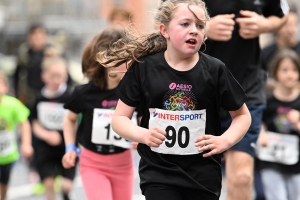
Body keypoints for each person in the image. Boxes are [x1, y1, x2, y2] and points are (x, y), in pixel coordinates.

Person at [97, 1, 252, 199]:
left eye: (200, 26)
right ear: (165, 30)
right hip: (159, 174)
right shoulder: (145, 68)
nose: (194, 30)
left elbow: (242, 115)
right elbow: (119, 119)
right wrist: (143, 135)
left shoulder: (215, 70)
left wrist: (225, 140)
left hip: (203, 176)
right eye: (185, 24)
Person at [200, 1, 288, 199]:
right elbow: (165, 18)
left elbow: (282, 15)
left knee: (242, 177)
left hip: (246, 89)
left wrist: (265, 25)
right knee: (198, 180)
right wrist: (202, 26)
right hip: (199, 89)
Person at [62, 27, 137, 200]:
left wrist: (140, 137)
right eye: (124, 59)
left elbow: (142, 119)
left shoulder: (133, 92)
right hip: (93, 163)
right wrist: (70, 147)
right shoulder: (83, 93)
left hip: (123, 163)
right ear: (107, 60)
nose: (130, 64)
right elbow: (69, 120)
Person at [256, 49, 300, 200]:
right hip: (270, 159)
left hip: (296, 162)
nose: (290, 74)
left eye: (294, 70)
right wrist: (261, 134)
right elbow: (259, 121)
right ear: (275, 72)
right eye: (285, 70)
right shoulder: (267, 100)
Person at [30, 55, 75, 200]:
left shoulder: (71, 95)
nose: (57, 80)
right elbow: (34, 122)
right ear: (44, 76)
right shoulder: (39, 97)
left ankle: (66, 195)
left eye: (60, 76)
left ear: (66, 75)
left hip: (67, 147)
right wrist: (46, 135)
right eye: (53, 76)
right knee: (48, 184)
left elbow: (78, 120)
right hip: (46, 148)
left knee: (66, 185)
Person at [0, 71, 33, 200]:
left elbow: (24, 123)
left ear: (5, 87)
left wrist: (26, 144)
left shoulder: (12, 104)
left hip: (8, 154)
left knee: (4, 184)